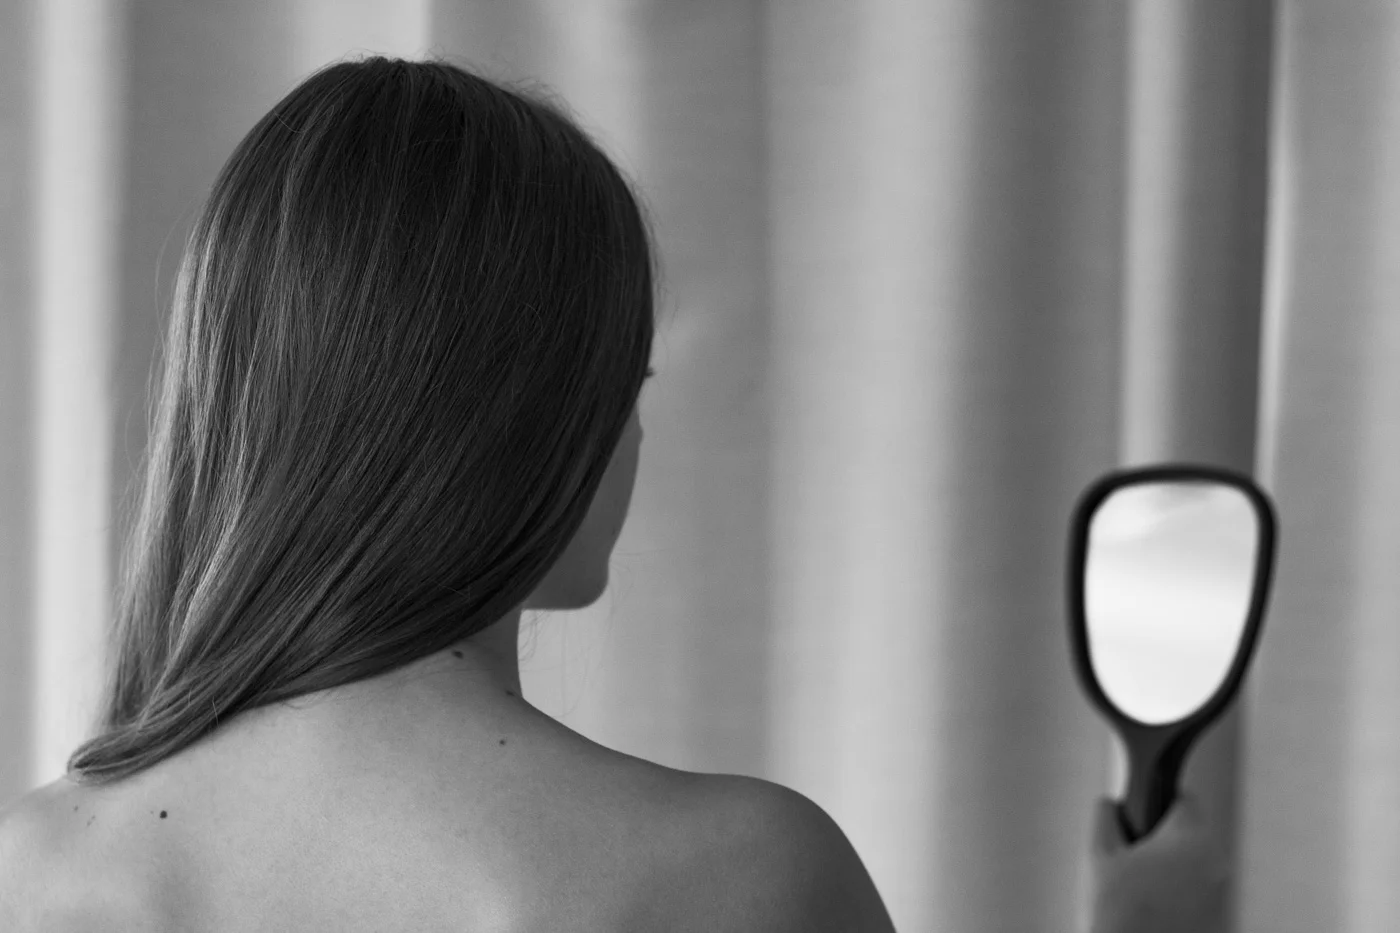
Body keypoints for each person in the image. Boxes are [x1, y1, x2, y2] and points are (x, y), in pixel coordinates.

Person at [0, 55, 1230, 932]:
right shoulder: (743, 874)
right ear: (526, 413)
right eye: (621, 384)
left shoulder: (35, 870)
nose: (630, 432)